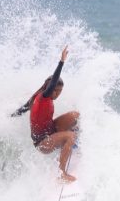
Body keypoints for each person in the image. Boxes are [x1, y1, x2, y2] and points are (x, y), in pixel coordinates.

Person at [11, 46, 79, 182]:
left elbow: (21, 110)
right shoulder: (43, 97)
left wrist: (10, 116)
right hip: (42, 142)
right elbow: (54, 80)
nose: (57, 94)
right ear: (50, 89)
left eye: (59, 92)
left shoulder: (35, 97)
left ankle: (72, 145)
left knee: (75, 115)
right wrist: (61, 61)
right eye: (56, 91)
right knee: (70, 136)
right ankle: (61, 173)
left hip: (51, 130)